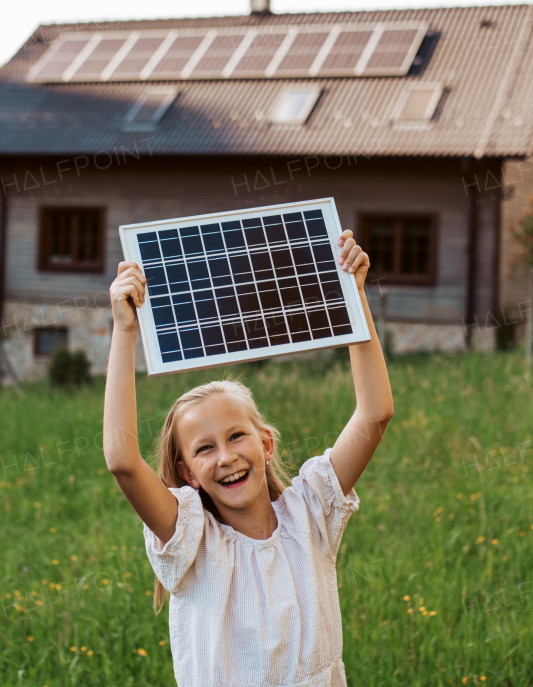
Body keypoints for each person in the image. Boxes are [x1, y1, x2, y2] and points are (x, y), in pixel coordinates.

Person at [103, 228, 393, 687]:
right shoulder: (192, 542)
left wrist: (353, 296)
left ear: (266, 443)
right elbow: (122, 460)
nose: (226, 457)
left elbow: (375, 414)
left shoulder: (310, 513)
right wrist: (124, 331)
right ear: (187, 475)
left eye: (237, 436)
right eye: (204, 449)